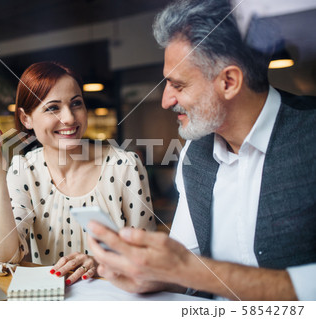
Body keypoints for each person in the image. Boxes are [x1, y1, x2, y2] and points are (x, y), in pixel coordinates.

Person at [88, 0, 316, 300]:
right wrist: (137, 269)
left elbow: (190, 270)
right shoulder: (194, 154)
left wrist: (186, 270)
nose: (166, 101)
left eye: (178, 85)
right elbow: (185, 268)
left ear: (229, 81)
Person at [0, 61, 156, 285]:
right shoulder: (24, 170)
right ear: (26, 118)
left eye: (76, 103)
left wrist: (103, 263)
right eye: (53, 108)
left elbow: (149, 257)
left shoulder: (125, 166)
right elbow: (2, 256)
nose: (69, 118)